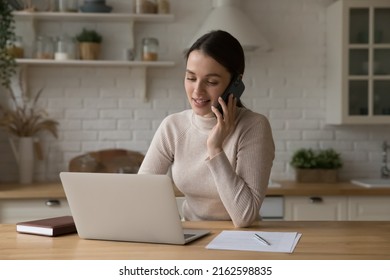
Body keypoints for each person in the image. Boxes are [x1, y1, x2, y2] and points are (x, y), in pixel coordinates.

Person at [138, 30, 275, 227]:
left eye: (211, 82)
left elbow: (244, 216)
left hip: (242, 241)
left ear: (236, 82)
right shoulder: (173, 126)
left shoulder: (253, 127)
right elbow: (142, 193)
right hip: (190, 237)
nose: (197, 91)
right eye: (191, 78)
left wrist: (215, 148)